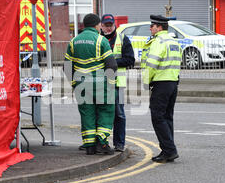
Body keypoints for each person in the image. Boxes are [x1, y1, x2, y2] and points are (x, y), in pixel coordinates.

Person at [65, 13, 118, 155]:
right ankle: (102, 143)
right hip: (100, 84)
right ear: (97, 25)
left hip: (81, 85)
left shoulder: (73, 41)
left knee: (87, 114)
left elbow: (67, 66)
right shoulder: (101, 41)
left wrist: (74, 83)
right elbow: (111, 65)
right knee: (106, 111)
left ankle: (89, 146)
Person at [143, 15, 182, 163]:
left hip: (161, 82)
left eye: (152, 26)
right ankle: (168, 149)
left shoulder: (158, 41)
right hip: (172, 82)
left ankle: (170, 150)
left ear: (159, 27)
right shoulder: (173, 41)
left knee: (157, 117)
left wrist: (146, 81)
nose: (150, 28)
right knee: (167, 117)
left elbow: (152, 63)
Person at [100, 14, 135, 152]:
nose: (108, 28)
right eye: (105, 25)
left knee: (119, 114)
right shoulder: (98, 39)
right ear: (101, 26)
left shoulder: (122, 38)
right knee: (100, 113)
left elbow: (130, 60)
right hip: (100, 82)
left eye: (110, 25)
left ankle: (119, 143)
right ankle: (100, 143)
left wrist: (111, 63)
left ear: (114, 25)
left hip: (117, 83)